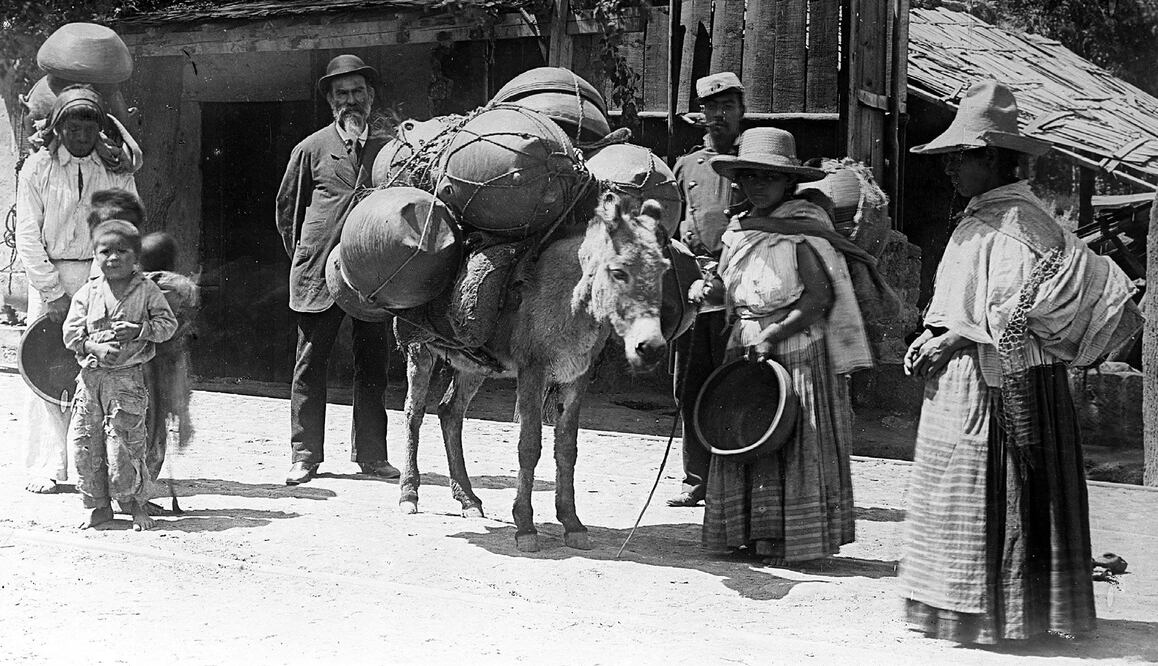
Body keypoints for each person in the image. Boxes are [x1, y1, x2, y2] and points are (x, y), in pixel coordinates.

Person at [899, 80, 1139, 644]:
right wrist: (933, 332)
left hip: (1003, 382)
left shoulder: (1017, 225)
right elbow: (970, 300)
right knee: (962, 490)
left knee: (997, 487)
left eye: (962, 156)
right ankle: (964, 605)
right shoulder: (986, 217)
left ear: (992, 159)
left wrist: (952, 341)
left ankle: (1001, 613)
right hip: (974, 373)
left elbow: (1011, 312)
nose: (951, 168)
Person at [700, 127, 871, 565]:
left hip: (795, 349)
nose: (758, 186)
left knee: (791, 438)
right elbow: (729, 292)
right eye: (750, 177)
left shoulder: (802, 230)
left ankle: (786, 540)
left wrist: (772, 336)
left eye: (769, 177)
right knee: (744, 432)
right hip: (745, 344)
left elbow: (818, 299)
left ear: (789, 182)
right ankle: (746, 533)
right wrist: (707, 290)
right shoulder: (737, 232)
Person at [275, 54, 397, 485]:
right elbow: (288, 213)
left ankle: (372, 455)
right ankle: (305, 455)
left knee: (374, 365)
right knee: (310, 363)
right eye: (341, 93)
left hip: (371, 276)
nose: (350, 101)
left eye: (357, 92)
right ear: (330, 100)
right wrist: (308, 257)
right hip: (318, 273)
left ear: (370, 96)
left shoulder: (388, 151)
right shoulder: (310, 149)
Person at [15, 87, 139, 495]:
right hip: (50, 277)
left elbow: (125, 228)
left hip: (100, 278)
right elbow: (27, 234)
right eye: (72, 125)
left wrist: (102, 289)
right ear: (58, 127)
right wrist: (52, 292)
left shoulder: (115, 170)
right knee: (45, 368)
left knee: (98, 370)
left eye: (88, 125)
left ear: (99, 127)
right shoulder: (37, 168)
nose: (80, 134)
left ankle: (98, 469)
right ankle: (49, 465)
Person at [63, 219, 178, 531]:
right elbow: (70, 333)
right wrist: (92, 347)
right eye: (105, 252)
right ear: (95, 255)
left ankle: (135, 505)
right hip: (90, 381)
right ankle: (98, 506)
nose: (113, 258)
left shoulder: (147, 290)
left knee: (126, 443)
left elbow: (168, 325)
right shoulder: (87, 292)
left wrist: (140, 330)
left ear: (135, 255)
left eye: (122, 251)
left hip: (127, 381)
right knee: (86, 443)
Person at [667, 72, 746, 507]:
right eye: (711, 107)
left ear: (741, 111)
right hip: (693, 290)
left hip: (739, 288)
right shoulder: (687, 166)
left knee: (733, 384)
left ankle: (731, 479)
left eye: (727, 106)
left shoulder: (752, 161)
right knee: (689, 384)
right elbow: (673, 223)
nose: (719, 115)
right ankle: (695, 478)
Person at [138, 231, 200, 490]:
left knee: (140, 422)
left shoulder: (134, 286)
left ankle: (132, 482)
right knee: (159, 426)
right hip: (169, 364)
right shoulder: (183, 288)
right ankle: (146, 481)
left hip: (139, 365)